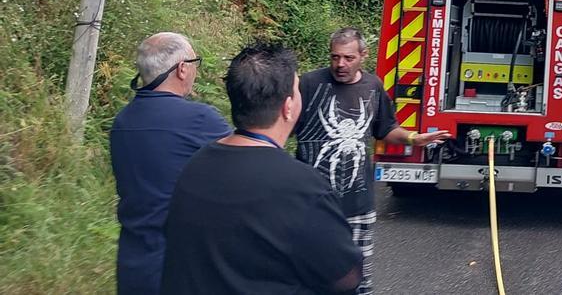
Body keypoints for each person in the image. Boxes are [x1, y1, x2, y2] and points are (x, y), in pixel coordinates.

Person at [160, 42, 363, 294]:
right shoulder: (303, 187)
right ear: (288, 107)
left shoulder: (194, 166)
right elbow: (346, 277)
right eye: (297, 91)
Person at [294, 27, 451, 295]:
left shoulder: (372, 86)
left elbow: (385, 128)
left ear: (363, 55)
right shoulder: (308, 84)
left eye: (348, 58)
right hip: (313, 205)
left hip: (358, 205)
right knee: (309, 276)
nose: (340, 64)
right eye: (335, 57)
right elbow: (283, 124)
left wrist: (414, 139)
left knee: (359, 281)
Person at [109, 32, 231, 295]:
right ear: (182, 69)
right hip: (180, 267)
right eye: (195, 63)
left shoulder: (122, 121)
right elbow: (251, 163)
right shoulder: (200, 119)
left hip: (133, 264)